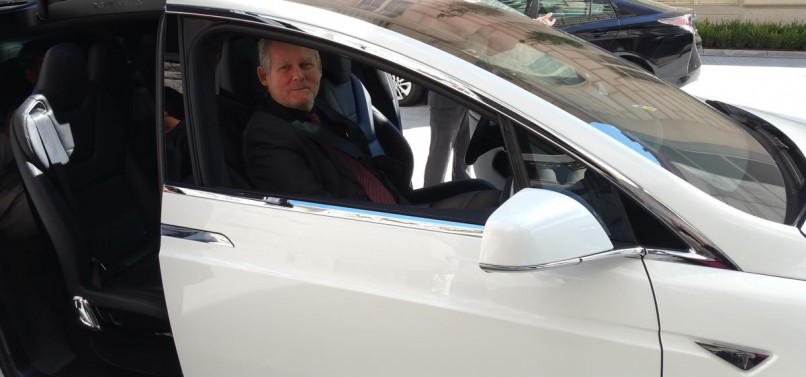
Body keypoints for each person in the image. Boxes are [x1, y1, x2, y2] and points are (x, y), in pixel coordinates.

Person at [242, 40, 407, 204]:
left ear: (319, 68)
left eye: (306, 65)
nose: (298, 76)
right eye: (285, 68)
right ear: (264, 76)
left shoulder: (320, 109)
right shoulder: (266, 137)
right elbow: (316, 211)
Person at [423, 10, 554, 186]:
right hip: (446, 90)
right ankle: (431, 193)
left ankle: (461, 185)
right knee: (441, 148)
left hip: (466, 89)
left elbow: (497, 28)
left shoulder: (471, 13)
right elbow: (492, 31)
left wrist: (530, 25)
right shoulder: (451, 15)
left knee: (463, 146)